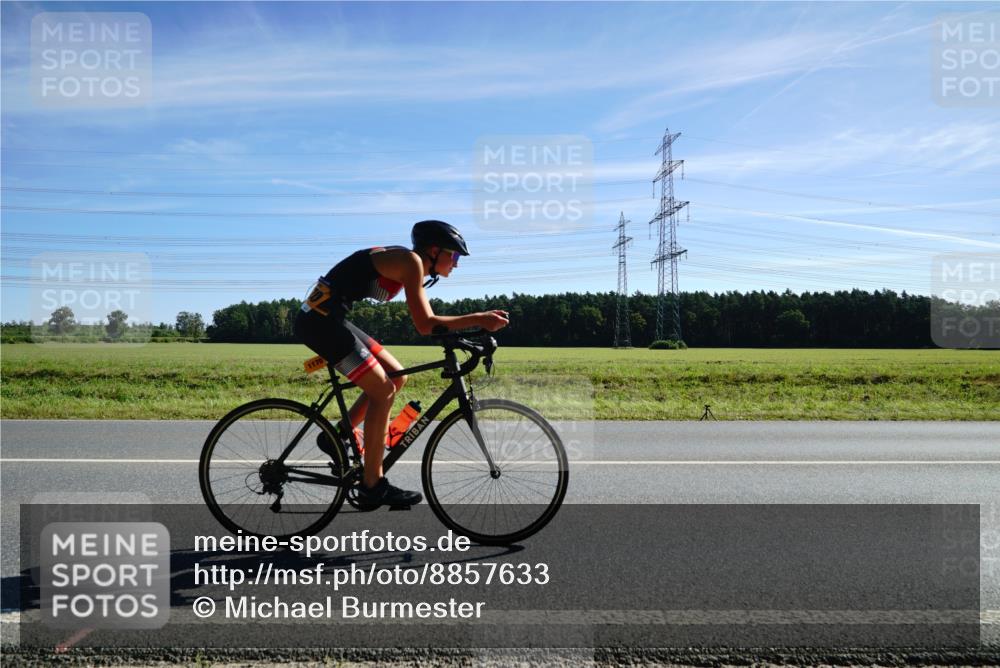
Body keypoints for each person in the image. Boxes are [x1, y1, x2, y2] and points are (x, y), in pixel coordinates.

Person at [293, 220, 509, 508]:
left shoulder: (409, 262)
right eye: (454, 255)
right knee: (382, 391)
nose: (456, 263)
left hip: (328, 317)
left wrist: (467, 331)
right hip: (320, 323)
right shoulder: (411, 262)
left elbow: (429, 323)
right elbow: (425, 324)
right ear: (434, 251)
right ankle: (372, 485)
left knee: (396, 375)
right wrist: (479, 319)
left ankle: (337, 436)